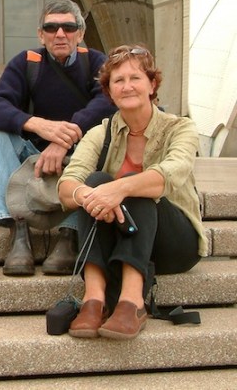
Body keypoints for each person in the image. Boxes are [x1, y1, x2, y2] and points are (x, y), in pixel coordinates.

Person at [57, 45, 207, 340]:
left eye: (135, 78)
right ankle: (94, 298)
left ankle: (132, 301)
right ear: (109, 91)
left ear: (152, 85)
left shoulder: (181, 128)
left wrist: (119, 188)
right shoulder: (100, 133)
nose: (127, 87)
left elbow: (169, 175)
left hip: (174, 243)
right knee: (96, 181)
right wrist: (94, 195)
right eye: (118, 81)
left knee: (135, 185)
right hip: (122, 237)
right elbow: (66, 185)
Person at [0, 0, 117, 276]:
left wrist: (64, 136)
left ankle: (69, 235)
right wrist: (38, 125)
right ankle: (18, 232)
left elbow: (108, 102)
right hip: (34, 156)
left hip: (81, 155)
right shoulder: (27, 62)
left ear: (80, 33)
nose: (60, 34)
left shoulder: (97, 63)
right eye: (51, 27)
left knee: (105, 138)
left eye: (68, 27)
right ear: (40, 34)